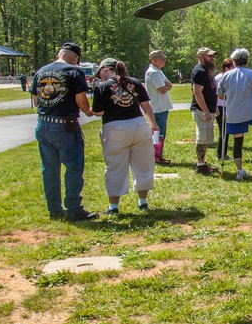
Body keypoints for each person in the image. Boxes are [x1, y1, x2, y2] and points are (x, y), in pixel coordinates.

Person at [30, 42, 98, 220]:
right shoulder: (74, 72)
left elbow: (36, 101)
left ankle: (54, 209)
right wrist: (89, 112)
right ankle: (74, 208)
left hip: (43, 124)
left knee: (50, 170)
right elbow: (81, 101)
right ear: (75, 57)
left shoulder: (41, 71)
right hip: (65, 125)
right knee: (73, 167)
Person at [92, 58, 158, 214]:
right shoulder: (135, 82)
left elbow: (98, 112)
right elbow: (146, 106)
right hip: (139, 124)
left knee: (115, 166)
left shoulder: (103, 87)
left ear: (104, 70)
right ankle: (143, 202)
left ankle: (114, 206)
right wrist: (153, 124)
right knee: (143, 165)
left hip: (115, 127)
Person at [216, 48, 252, 181]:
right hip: (251, 113)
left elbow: (220, 95)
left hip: (233, 114)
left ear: (234, 61)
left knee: (238, 141)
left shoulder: (226, 75)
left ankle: (239, 170)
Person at [190, 47, 219, 175]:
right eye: (209, 56)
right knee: (202, 138)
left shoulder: (206, 70)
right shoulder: (200, 71)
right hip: (201, 110)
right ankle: (200, 165)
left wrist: (214, 107)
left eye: (212, 56)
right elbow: (197, 92)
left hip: (207, 109)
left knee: (206, 137)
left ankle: (202, 163)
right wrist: (206, 110)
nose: (212, 58)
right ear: (201, 56)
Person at [144, 50, 174, 164]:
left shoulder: (158, 71)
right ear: (154, 60)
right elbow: (162, 89)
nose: (164, 61)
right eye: (162, 59)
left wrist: (166, 85)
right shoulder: (153, 72)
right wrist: (166, 86)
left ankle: (158, 155)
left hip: (162, 107)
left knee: (161, 134)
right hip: (157, 108)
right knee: (157, 134)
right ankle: (156, 157)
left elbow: (169, 84)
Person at [215, 58, 234, 160]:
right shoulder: (219, 78)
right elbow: (216, 94)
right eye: (232, 67)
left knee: (226, 131)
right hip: (220, 106)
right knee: (223, 131)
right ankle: (221, 154)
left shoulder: (230, 77)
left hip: (228, 106)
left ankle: (222, 153)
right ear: (226, 68)